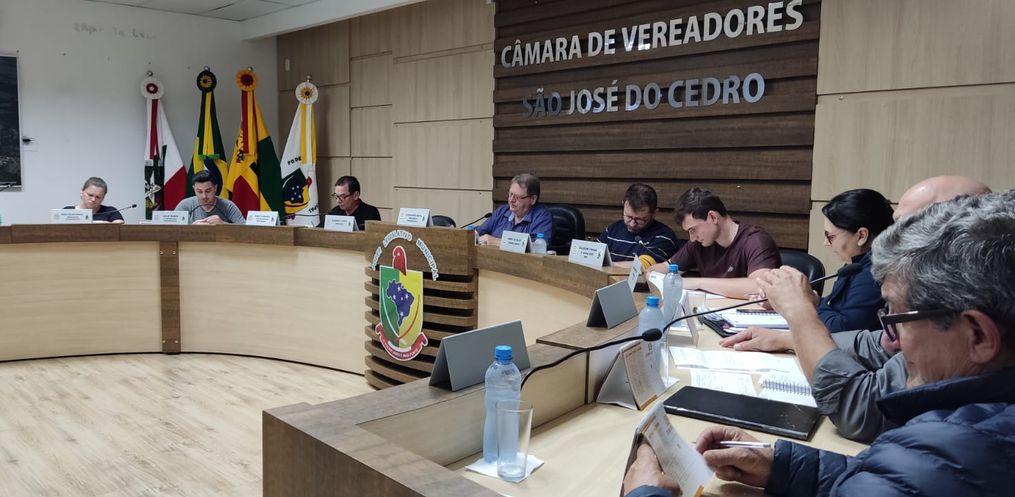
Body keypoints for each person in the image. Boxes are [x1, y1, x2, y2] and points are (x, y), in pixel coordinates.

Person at [625, 191, 1015, 497]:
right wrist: (782, 465)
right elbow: (885, 478)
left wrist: (644, 492)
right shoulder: (962, 433)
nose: (887, 341)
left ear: (978, 336)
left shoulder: (957, 454)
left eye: (896, 318)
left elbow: (908, 474)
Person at [721, 176, 992, 442]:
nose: (889, 243)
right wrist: (787, 339)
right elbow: (876, 343)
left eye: (907, 232)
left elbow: (861, 410)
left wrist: (801, 311)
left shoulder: (953, 321)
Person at [650, 187, 780, 298]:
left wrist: (698, 283)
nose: (692, 238)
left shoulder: (755, 240)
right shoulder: (698, 244)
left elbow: (760, 287)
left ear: (713, 217)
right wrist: (651, 273)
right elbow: (663, 268)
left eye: (693, 229)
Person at [598, 184, 682, 265]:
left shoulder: (664, 236)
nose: (632, 224)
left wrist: (608, 265)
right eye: (628, 217)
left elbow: (643, 266)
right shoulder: (612, 230)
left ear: (654, 214)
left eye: (639, 220)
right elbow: (595, 255)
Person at [476, 173, 553, 246]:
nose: (511, 200)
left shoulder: (542, 217)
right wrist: (474, 235)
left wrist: (498, 243)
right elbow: (479, 231)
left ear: (533, 199)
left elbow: (536, 246)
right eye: (511, 194)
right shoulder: (502, 211)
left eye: (517, 197)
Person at [174, 170, 245, 224]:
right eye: (199, 191)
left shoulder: (228, 205)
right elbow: (172, 230)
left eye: (208, 191)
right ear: (194, 189)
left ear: (215, 188)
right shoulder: (185, 205)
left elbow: (244, 228)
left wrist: (223, 224)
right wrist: (192, 228)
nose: (204, 196)